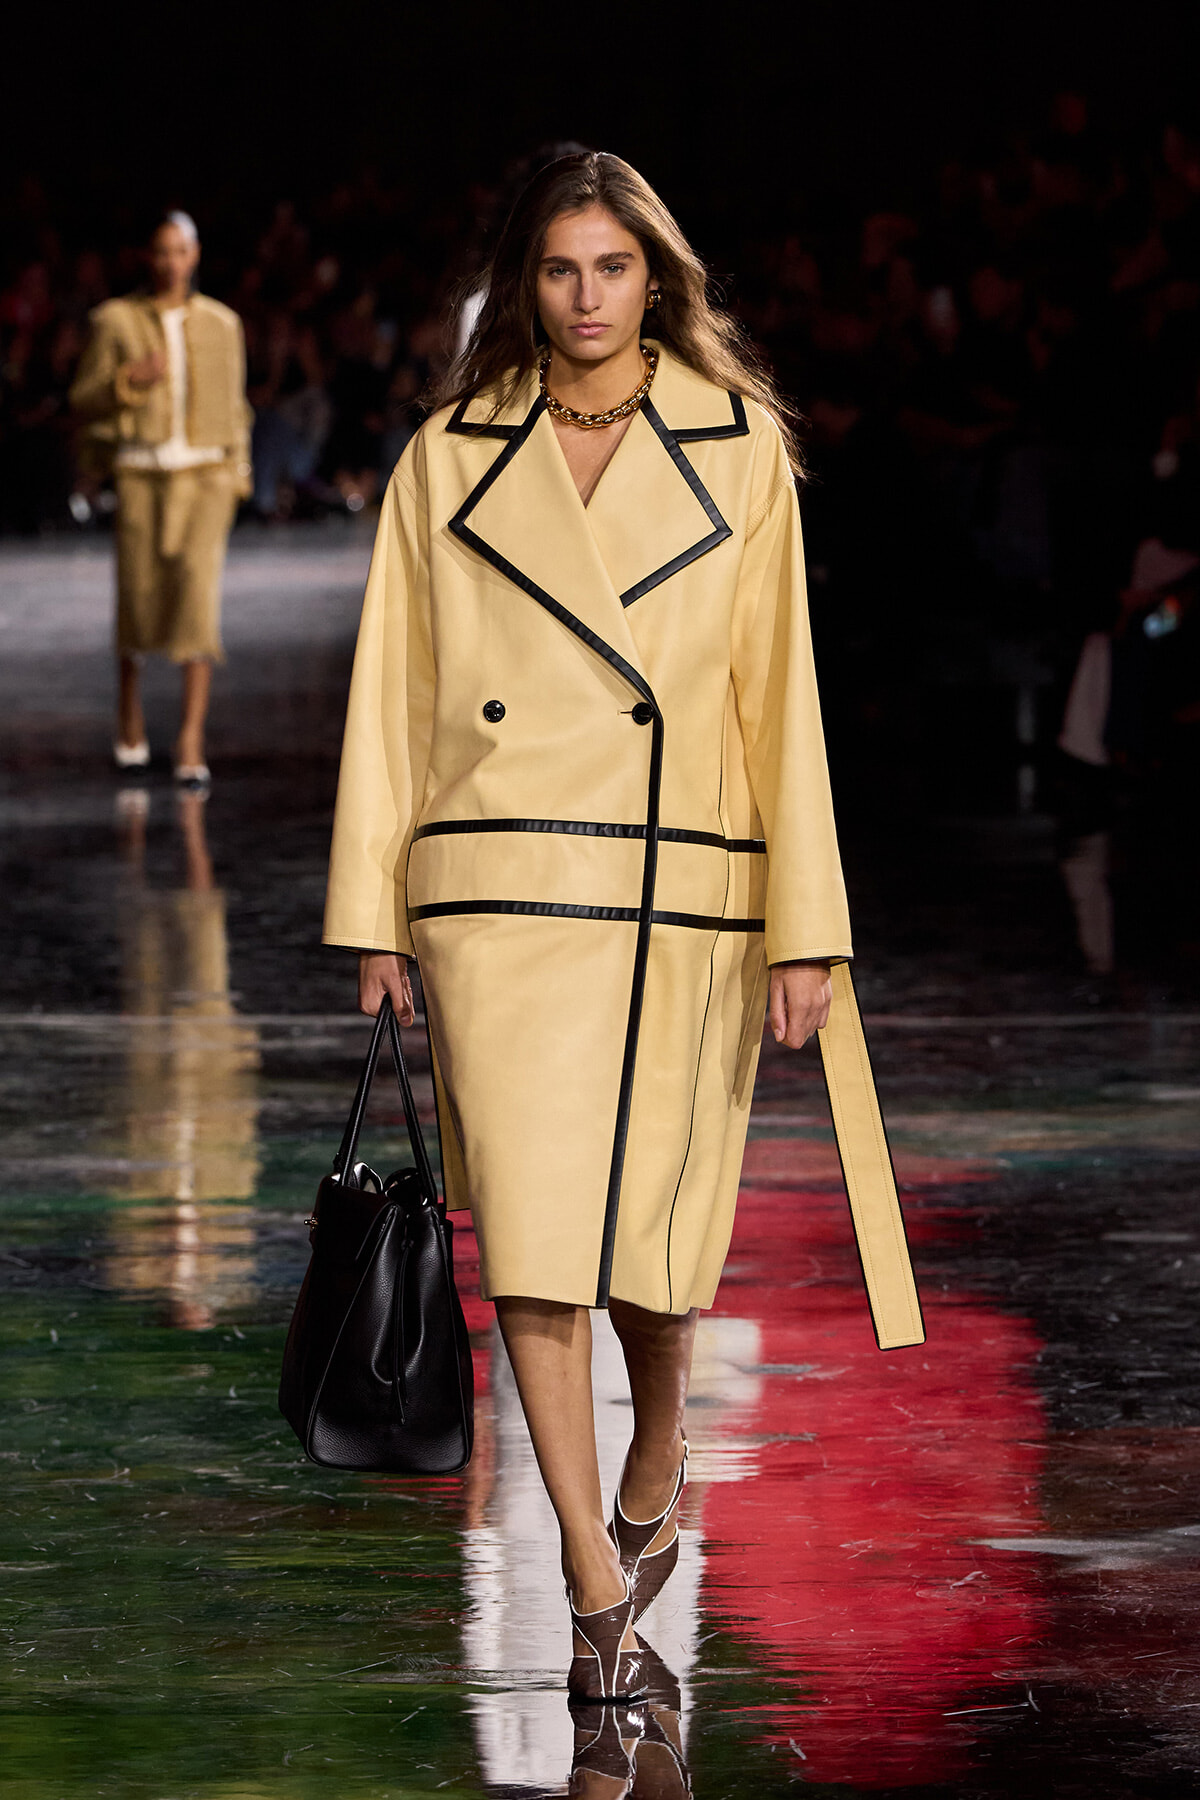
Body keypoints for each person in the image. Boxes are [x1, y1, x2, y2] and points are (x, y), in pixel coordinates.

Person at [323, 152, 920, 1705]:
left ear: (661, 279)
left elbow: (779, 702)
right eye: (559, 270)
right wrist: (372, 909)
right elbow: (392, 692)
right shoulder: (447, 459)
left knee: (656, 1255)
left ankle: (660, 1440)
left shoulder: (741, 452)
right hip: (498, 885)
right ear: (523, 282)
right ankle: (593, 1579)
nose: (586, 299)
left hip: (682, 889)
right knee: (530, 1244)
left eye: (614, 269)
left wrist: (808, 923)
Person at [70, 212, 252, 784]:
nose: (171, 261)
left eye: (181, 250)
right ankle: (129, 710)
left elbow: (236, 403)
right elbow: (83, 398)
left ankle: (191, 737)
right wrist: (129, 379)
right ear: (150, 258)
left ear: (194, 256)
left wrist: (238, 473)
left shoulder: (222, 323)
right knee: (139, 601)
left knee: (198, 603)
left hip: (205, 477)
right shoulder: (116, 320)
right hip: (142, 475)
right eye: (162, 251)